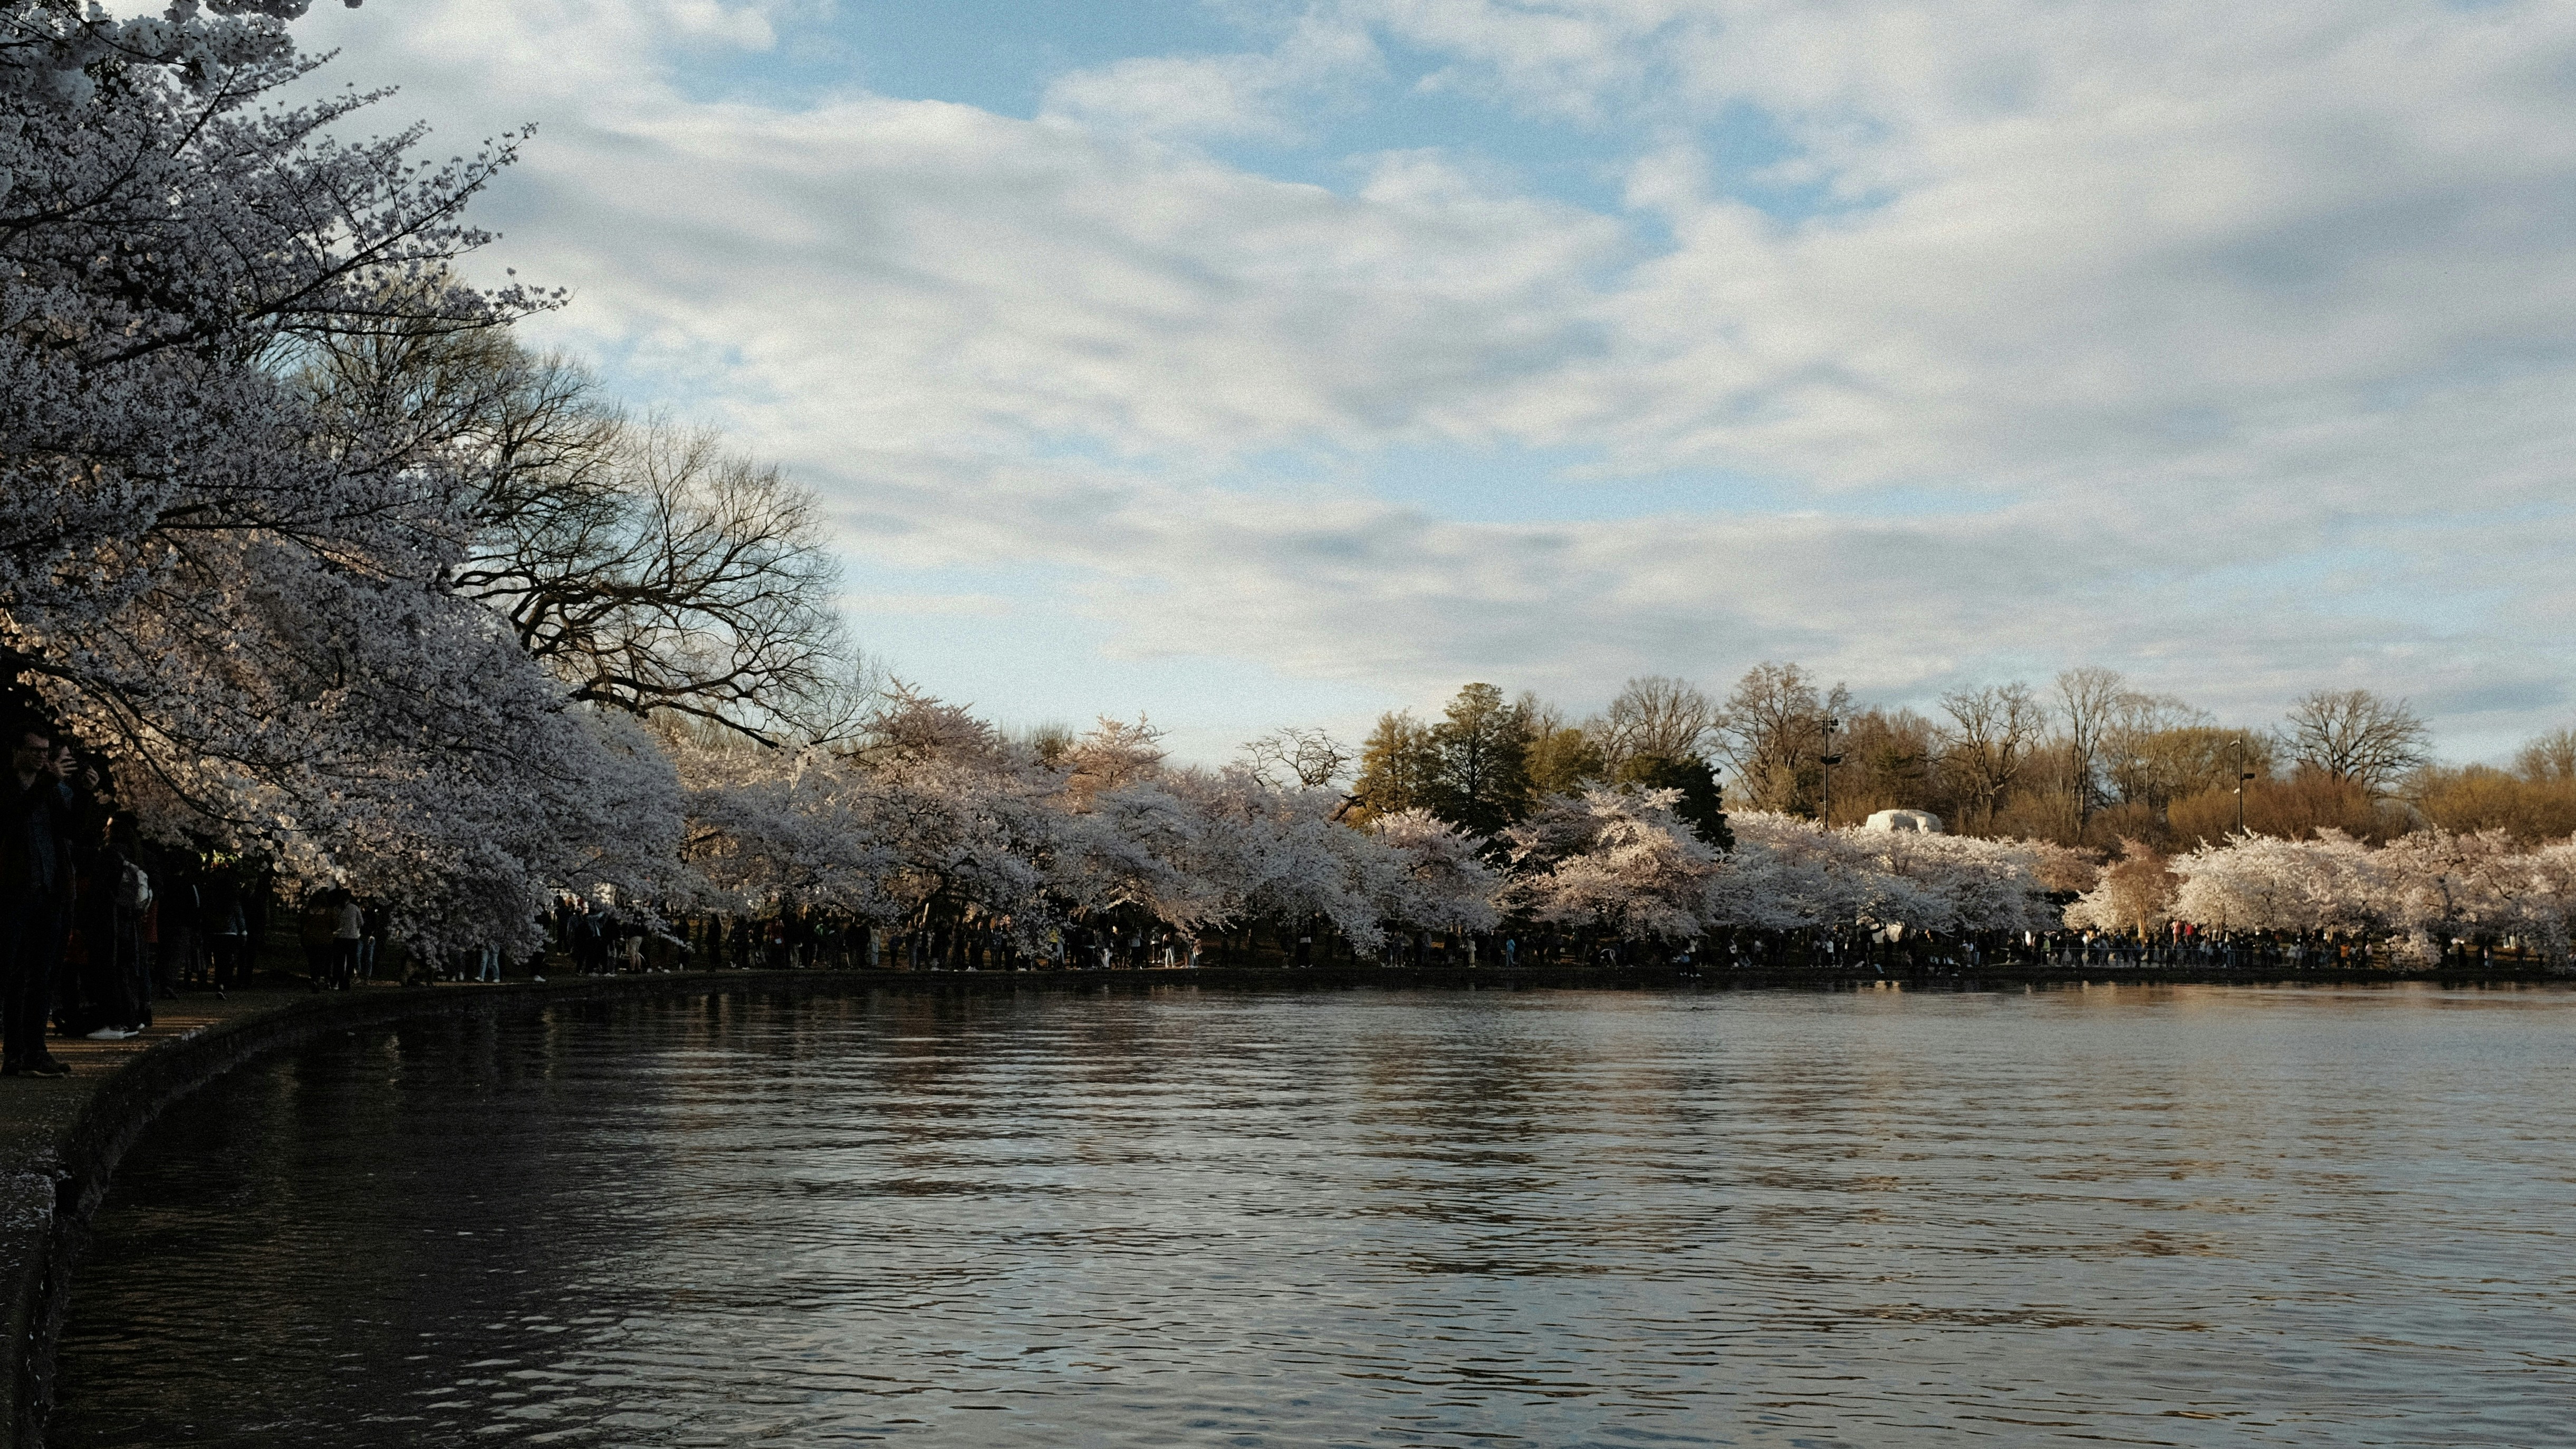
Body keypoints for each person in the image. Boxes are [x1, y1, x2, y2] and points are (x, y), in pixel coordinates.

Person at [2, 724, 86, 1077]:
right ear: (17, 751)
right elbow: (12, 818)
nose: (41, 757)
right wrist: (48, 783)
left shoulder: (50, 790)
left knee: (43, 976)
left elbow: (70, 831)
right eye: (35, 750)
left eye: (45, 751)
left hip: (50, 893)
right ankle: (15, 1053)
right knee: (11, 976)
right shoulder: (8, 786)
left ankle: (35, 1051)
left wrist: (82, 793)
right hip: (14, 894)